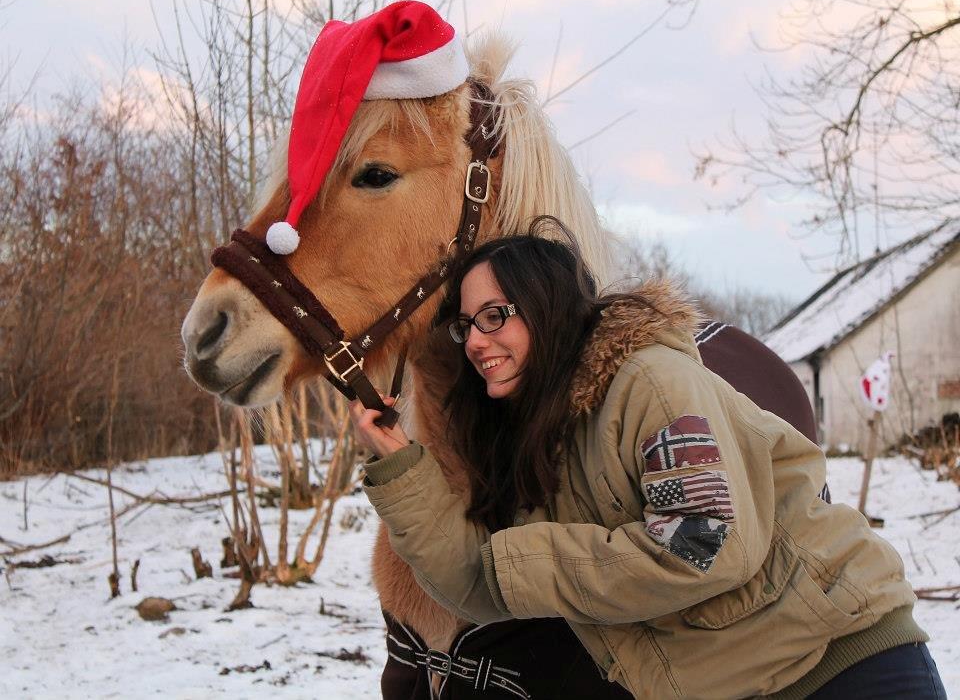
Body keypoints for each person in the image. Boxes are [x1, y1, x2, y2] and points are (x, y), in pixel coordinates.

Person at [349, 218, 945, 699]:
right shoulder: (535, 438)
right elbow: (478, 582)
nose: (476, 340)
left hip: (841, 665)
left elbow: (704, 545)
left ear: (548, 308)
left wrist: (530, 566)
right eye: (465, 325)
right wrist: (401, 469)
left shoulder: (648, 383)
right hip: (744, 684)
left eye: (496, 315)